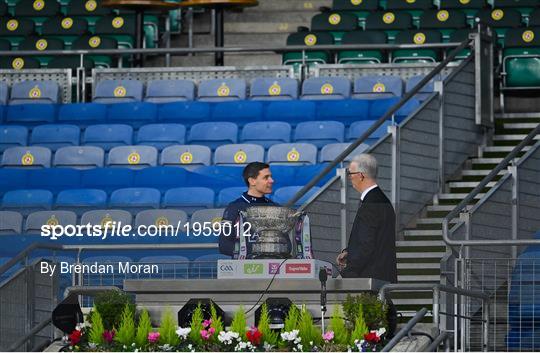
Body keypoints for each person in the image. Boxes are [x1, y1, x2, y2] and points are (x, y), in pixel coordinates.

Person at [336, 153, 397, 283]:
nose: (350, 178)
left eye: (351, 174)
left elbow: (366, 244)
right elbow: (374, 238)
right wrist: (349, 252)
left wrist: (347, 272)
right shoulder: (381, 199)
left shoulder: (371, 204)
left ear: (360, 175)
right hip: (380, 275)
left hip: (368, 278)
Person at [219, 162, 277, 257]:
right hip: (244, 268)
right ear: (252, 181)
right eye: (266, 177)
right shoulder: (233, 208)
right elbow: (224, 245)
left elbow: (286, 243)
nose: (272, 181)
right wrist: (257, 252)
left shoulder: (276, 208)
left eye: (271, 177)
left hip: (273, 268)